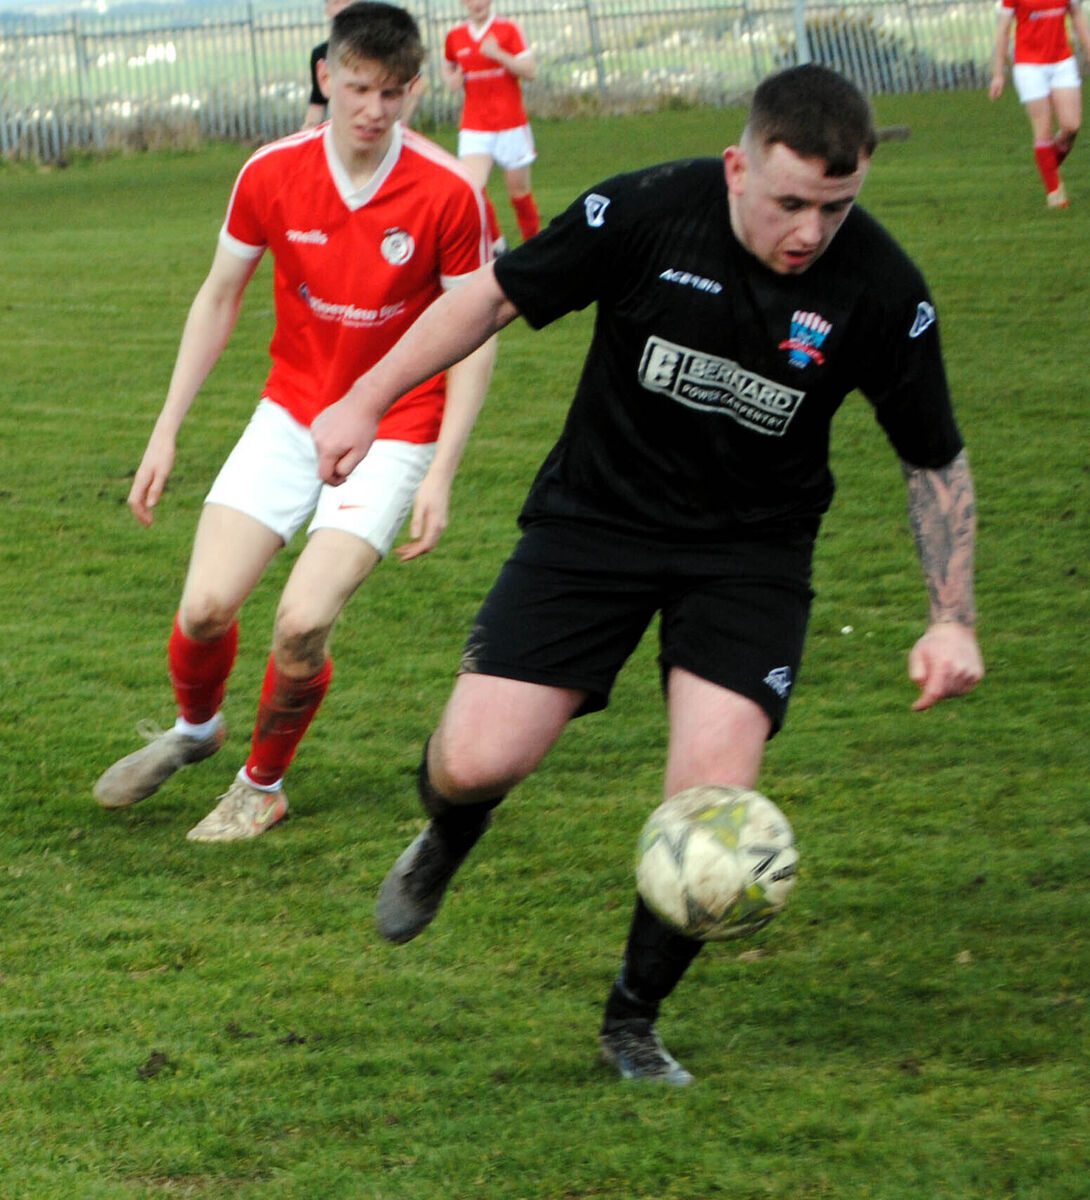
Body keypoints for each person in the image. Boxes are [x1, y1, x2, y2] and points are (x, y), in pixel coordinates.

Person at [312, 64, 985, 1084]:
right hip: (593, 524)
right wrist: (365, 398)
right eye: (788, 202)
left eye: (835, 208)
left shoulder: (882, 292)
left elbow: (933, 458)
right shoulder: (644, 210)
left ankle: (631, 1018)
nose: (808, 232)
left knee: (711, 808)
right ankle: (451, 832)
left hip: (748, 558)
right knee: (474, 761)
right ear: (735, 167)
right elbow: (490, 298)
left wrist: (952, 616)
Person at [94, 2, 496, 843]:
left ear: (416, 89)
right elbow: (218, 297)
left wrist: (445, 470)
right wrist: (166, 429)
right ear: (325, 76)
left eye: (393, 93)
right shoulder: (270, 173)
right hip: (290, 415)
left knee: (303, 621)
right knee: (205, 606)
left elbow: (474, 340)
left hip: (396, 426)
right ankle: (196, 732)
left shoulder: (450, 192)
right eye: (357, 87)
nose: (373, 110)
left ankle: (262, 784)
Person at [443, 0, 540, 243]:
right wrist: (452, 79)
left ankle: (534, 246)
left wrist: (498, 54)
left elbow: (530, 71)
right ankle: (497, 244)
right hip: (475, 127)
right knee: (472, 189)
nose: (477, 4)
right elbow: (448, 67)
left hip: (511, 126)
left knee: (519, 194)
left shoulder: (508, 29)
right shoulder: (455, 36)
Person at [989, 0, 1090, 207]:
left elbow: (1077, 17)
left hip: (1062, 62)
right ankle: (1055, 194)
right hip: (1029, 67)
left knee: (1071, 126)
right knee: (1043, 129)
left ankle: (1047, 165)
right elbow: (1003, 30)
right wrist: (998, 73)